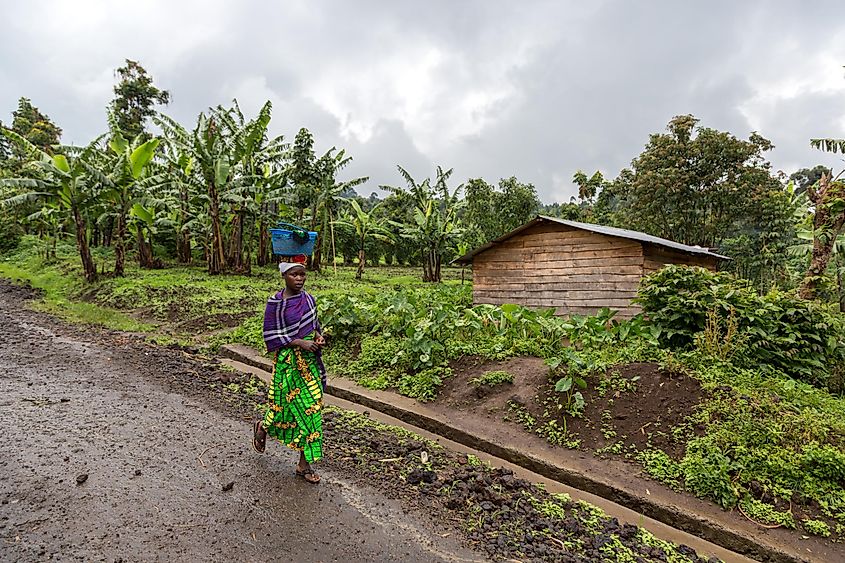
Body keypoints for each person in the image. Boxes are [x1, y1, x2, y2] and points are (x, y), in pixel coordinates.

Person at [252, 261, 326, 484]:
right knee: (282, 408)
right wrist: (298, 343)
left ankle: (303, 465)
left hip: (308, 364)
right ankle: (262, 427)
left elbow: (314, 326)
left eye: (302, 274)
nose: (300, 279)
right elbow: (271, 334)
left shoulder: (309, 299)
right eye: (294, 274)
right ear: (284, 275)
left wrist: (317, 338)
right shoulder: (276, 303)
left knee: (312, 408)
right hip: (287, 364)